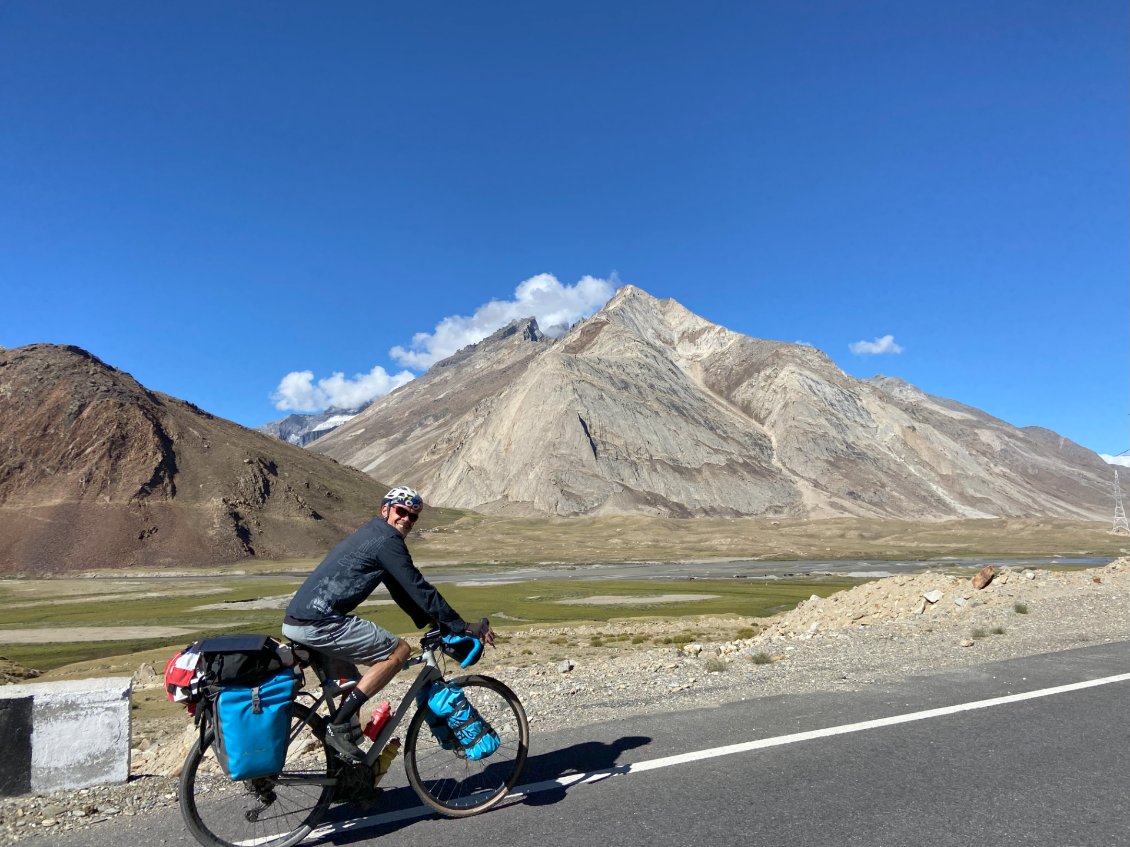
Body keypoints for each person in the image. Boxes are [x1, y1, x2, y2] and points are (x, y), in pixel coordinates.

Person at [282, 485, 493, 762]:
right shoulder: (387, 541)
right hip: (319, 621)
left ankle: (349, 775)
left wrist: (431, 622)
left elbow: (401, 590)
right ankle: (339, 726)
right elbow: (418, 587)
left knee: (353, 685)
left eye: (413, 516)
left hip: (299, 621)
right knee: (399, 652)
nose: (406, 519)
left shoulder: (374, 536)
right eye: (401, 511)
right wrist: (460, 625)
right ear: (386, 510)